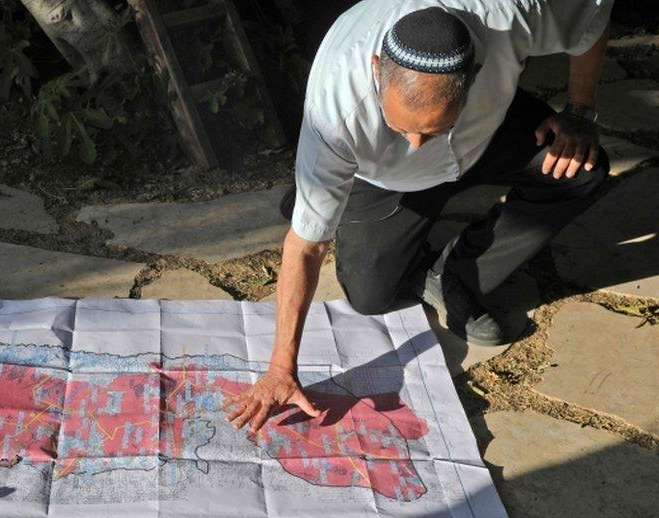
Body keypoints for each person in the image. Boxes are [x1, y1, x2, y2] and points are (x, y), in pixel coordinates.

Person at [224, 1, 613, 433]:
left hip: (486, 134)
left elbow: (590, 17)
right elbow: (307, 245)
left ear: (475, 74)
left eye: (431, 131)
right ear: (377, 69)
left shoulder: (509, 12)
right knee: (370, 295)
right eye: (400, 126)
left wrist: (580, 111)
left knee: (580, 170)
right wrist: (281, 368)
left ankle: (456, 270)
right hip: (383, 178)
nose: (414, 144)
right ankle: (323, 187)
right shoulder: (335, 107)